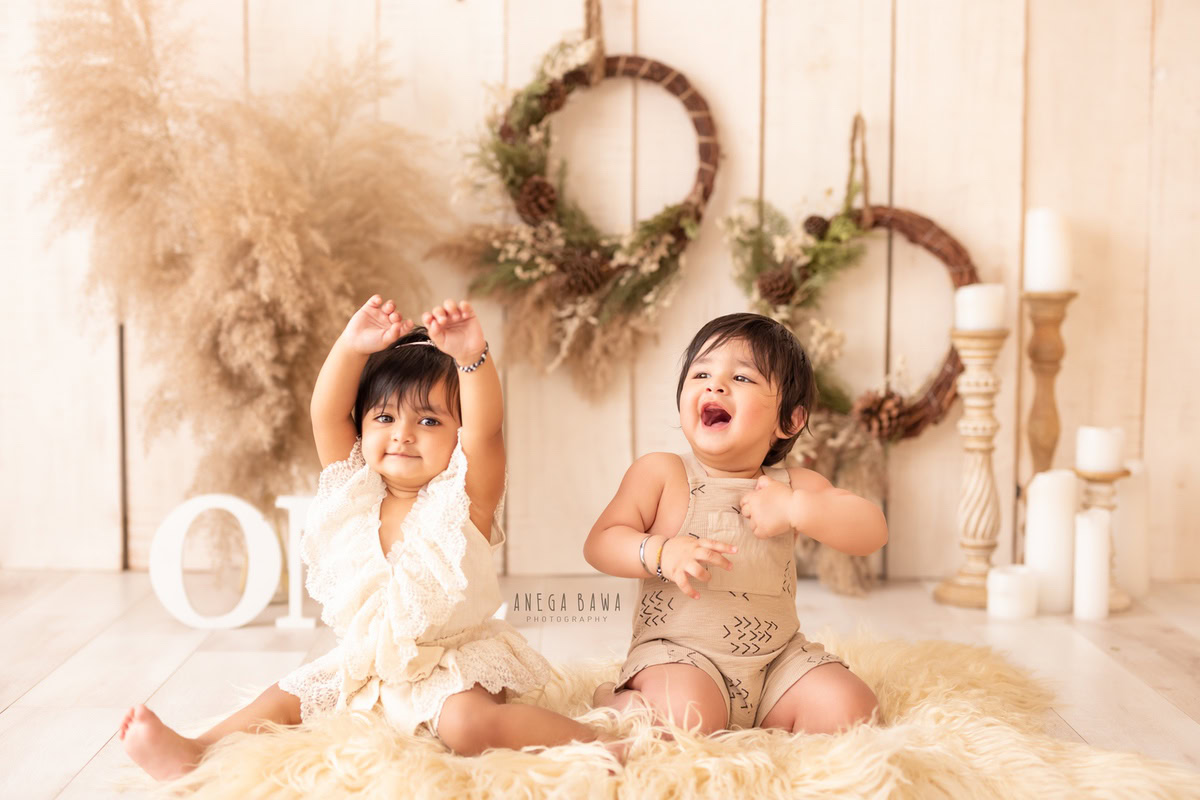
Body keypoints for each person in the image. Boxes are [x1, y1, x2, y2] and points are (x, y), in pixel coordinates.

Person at [121, 295, 607, 780]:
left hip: (453, 666)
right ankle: (196, 750)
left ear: (457, 436)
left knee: (465, 726)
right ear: (363, 426)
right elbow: (324, 413)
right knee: (288, 696)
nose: (403, 434)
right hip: (367, 668)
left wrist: (472, 359)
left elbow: (486, 431)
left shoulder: (462, 500)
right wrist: (352, 346)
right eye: (385, 417)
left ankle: (597, 742)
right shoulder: (356, 493)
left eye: (430, 420)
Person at [584, 312, 885, 735]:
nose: (715, 385)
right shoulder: (664, 475)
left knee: (852, 710)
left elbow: (872, 531)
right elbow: (600, 542)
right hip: (679, 656)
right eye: (701, 373)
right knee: (686, 716)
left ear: (789, 421)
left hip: (777, 662)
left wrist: (798, 509)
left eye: (742, 379)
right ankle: (618, 701)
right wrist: (659, 551)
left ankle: (771, 718)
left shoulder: (791, 487)